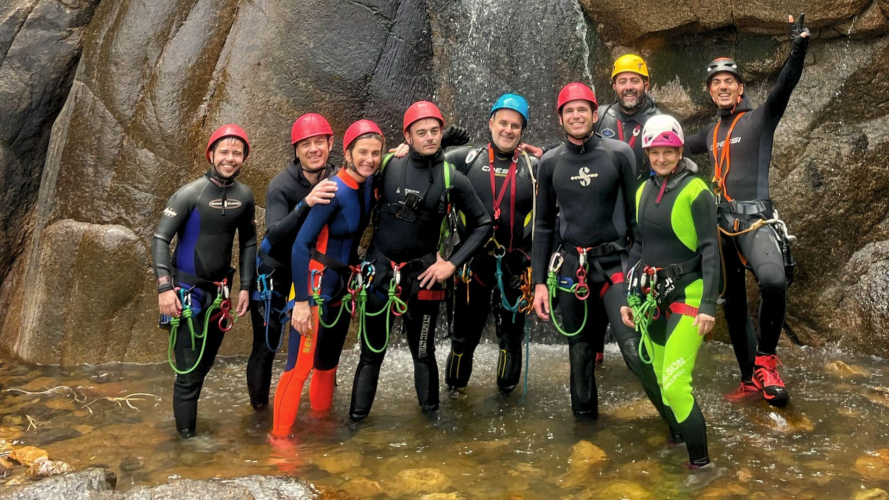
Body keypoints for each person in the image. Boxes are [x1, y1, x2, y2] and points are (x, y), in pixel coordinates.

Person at [531, 83, 680, 437]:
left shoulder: (619, 154)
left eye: (583, 109)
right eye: (569, 111)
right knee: (579, 352)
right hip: (570, 267)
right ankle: (586, 437)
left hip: (615, 265)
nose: (577, 116)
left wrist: (642, 268)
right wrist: (539, 282)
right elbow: (542, 226)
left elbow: (636, 217)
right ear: (560, 118)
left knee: (632, 348)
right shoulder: (550, 162)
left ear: (595, 114)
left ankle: (677, 423)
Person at [684, 14, 809, 407]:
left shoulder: (758, 119)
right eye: (715, 84)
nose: (722, 88)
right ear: (711, 92)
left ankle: (766, 362)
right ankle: (749, 379)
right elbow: (670, 146)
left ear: (740, 89)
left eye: (729, 83)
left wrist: (798, 48)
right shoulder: (710, 132)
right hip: (720, 223)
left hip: (755, 219)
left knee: (773, 281)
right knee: (734, 303)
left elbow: (784, 89)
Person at [348, 101, 492, 421]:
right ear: (408, 136)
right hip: (380, 273)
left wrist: (452, 264)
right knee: (371, 356)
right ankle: (355, 425)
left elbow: (483, 224)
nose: (429, 137)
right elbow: (347, 194)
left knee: (423, 354)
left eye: (435, 131)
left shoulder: (450, 176)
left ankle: (431, 428)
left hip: (423, 278)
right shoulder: (386, 164)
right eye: (421, 132)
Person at [270, 120, 383, 438]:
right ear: (347, 152)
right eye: (363, 152)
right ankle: (278, 440)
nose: (369, 159)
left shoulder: (366, 188)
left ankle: (319, 422)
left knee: (328, 364)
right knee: (298, 368)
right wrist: (302, 302)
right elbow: (299, 246)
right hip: (315, 291)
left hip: (341, 292)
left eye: (376, 153)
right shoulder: (333, 189)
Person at [620, 115, 719, 468]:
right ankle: (678, 439)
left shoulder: (697, 192)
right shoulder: (642, 191)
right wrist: (629, 296)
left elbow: (711, 250)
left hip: (688, 297)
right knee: (661, 381)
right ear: (646, 153)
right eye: (654, 152)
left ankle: (702, 466)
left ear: (679, 151)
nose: (661, 158)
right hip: (652, 297)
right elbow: (639, 246)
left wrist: (709, 305)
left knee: (676, 385)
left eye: (668, 151)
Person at [153, 124, 256, 438]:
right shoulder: (190, 193)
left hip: (219, 295)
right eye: (224, 151)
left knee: (203, 367)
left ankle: (187, 436)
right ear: (211, 154)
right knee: (187, 373)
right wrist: (164, 288)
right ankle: (186, 441)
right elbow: (160, 238)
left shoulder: (244, 196)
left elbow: (249, 242)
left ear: (243, 158)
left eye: (237, 153)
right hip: (186, 293)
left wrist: (247, 287)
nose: (230, 158)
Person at [441, 93, 538, 393]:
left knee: (510, 338)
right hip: (473, 262)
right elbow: (421, 166)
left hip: (516, 264)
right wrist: (440, 141)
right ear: (491, 123)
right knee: (463, 338)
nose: (508, 130)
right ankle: (455, 397)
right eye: (503, 123)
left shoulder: (534, 166)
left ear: (522, 131)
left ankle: (506, 407)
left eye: (515, 126)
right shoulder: (465, 159)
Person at [247, 113, 339, 411]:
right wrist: (306, 203)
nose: (314, 149)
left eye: (319, 142)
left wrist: (400, 152)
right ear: (296, 150)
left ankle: (322, 409)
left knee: (321, 343)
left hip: (312, 271)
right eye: (306, 144)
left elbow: (371, 165)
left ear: (330, 144)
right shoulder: (281, 186)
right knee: (265, 345)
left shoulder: (337, 177)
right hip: (275, 273)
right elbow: (274, 233)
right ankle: (260, 415)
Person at [595, 54, 663, 183]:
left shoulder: (660, 122)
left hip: (644, 197)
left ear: (646, 85)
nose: (628, 87)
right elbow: (573, 142)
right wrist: (546, 149)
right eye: (622, 82)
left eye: (634, 81)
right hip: (608, 197)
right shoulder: (599, 116)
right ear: (614, 87)